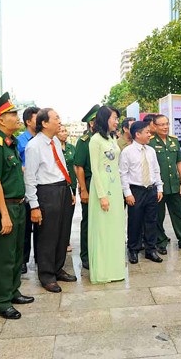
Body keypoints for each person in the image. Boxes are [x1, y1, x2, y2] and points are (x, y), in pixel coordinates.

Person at [0, 93, 34, 321]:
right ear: (0, 120)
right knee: (4, 256)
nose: (16, 117)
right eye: (12, 114)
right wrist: (4, 214)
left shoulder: (11, 143)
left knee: (15, 254)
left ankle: (13, 291)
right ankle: (2, 301)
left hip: (19, 205)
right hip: (6, 208)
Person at [24, 108, 76, 293]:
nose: (59, 121)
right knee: (47, 235)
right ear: (44, 123)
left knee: (63, 232)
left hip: (62, 189)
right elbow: (29, 178)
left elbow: (63, 167)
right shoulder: (34, 146)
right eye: (56, 118)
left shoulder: (55, 141)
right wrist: (34, 206)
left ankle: (57, 267)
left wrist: (69, 189)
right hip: (46, 192)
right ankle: (46, 275)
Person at [148, 114, 181, 254]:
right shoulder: (150, 143)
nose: (165, 127)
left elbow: (179, 162)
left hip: (174, 184)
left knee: (178, 213)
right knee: (158, 215)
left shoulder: (174, 141)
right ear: (155, 126)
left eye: (167, 124)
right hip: (158, 187)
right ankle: (161, 242)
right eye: (162, 125)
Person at [88, 106, 126, 283]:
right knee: (103, 229)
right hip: (102, 186)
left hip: (115, 184)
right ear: (105, 119)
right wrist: (102, 195)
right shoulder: (95, 140)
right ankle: (103, 271)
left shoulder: (112, 138)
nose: (117, 121)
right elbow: (94, 169)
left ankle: (115, 269)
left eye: (117, 118)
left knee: (115, 228)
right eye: (114, 118)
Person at [120, 121, 164, 264]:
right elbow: (123, 174)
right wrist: (127, 193)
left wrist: (159, 188)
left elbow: (156, 170)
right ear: (137, 134)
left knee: (151, 221)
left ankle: (150, 249)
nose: (149, 135)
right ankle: (133, 249)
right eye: (147, 132)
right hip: (136, 191)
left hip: (151, 190)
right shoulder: (127, 152)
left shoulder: (150, 151)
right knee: (135, 221)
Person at [73, 104, 100, 271]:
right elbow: (79, 167)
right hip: (89, 184)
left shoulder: (107, 138)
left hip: (104, 185)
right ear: (92, 123)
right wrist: (83, 190)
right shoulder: (85, 141)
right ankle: (86, 255)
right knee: (88, 221)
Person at [17, 106, 40, 274]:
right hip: (25, 190)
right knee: (25, 230)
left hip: (42, 188)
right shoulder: (19, 141)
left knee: (41, 226)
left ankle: (40, 257)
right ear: (28, 121)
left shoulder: (43, 139)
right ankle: (23, 260)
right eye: (37, 118)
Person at [57, 125, 76, 253]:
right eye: (61, 131)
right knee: (59, 215)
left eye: (65, 131)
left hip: (72, 185)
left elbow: (76, 166)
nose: (65, 133)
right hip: (59, 186)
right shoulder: (54, 148)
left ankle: (66, 240)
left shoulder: (71, 148)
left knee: (69, 214)